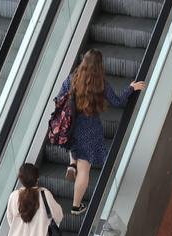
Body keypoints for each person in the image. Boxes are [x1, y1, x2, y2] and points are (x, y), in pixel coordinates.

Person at [57, 49, 146, 216]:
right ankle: (76, 206)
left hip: (72, 126)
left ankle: (72, 163)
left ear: (83, 63)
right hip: (90, 129)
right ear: (99, 66)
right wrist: (131, 88)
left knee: (75, 149)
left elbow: (59, 98)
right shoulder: (101, 84)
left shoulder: (71, 80)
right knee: (85, 168)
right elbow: (118, 101)